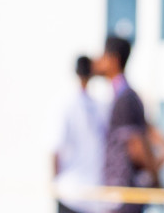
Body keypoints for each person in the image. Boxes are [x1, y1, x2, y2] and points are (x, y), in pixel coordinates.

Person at [96, 36, 164, 213]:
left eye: (103, 56)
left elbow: (137, 146)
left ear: (113, 59)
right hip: (122, 196)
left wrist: (156, 184)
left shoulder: (125, 98)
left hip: (123, 197)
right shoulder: (125, 96)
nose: (98, 61)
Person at [55, 55, 108, 213]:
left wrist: (55, 186)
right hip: (94, 196)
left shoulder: (65, 105)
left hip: (70, 193)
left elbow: (55, 149)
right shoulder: (101, 107)